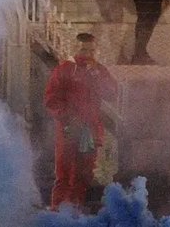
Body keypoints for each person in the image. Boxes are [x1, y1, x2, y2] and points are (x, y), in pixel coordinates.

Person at [44, 32, 117, 210]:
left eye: (91, 50)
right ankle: (58, 213)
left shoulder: (99, 70)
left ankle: (75, 211)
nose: (88, 54)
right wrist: (67, 118)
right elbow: (51, 99)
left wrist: (98, 75)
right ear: (76, 49)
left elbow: (112, 93)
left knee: (84, 174)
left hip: (91, 129)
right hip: (69, 129)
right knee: (65, 172)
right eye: (84, 50)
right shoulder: (65, 69)